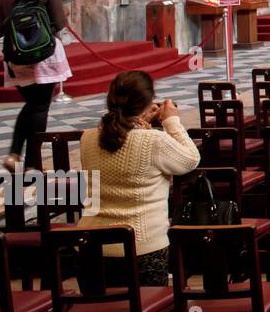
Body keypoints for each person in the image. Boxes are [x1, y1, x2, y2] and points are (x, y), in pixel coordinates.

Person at [78, 71, 200, 286]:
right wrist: (171, 121)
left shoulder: (87, 137)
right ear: (148, 102)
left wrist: (142, 122)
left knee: (101, 310)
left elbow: (124, 144)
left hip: (90, 246)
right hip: (142, 248)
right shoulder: (153, 141)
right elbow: (190, 159)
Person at [0, 0, 71, 172]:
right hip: (44, 55)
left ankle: (14, 154)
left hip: (17, 55)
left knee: (32, 104)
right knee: (40, 108)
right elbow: (59, 23)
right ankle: (32, 164)